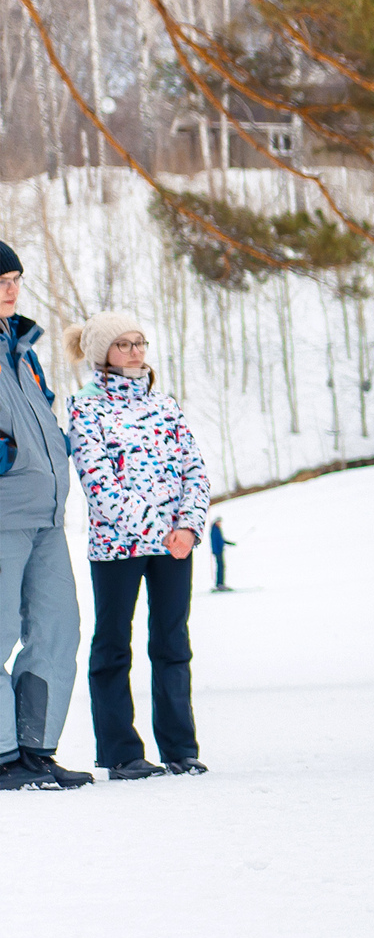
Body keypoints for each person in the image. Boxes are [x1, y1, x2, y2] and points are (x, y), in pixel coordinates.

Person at [65, 313, 212, 778]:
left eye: (139, 343)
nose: (134, 352)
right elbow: (99, 485)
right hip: (117, 548)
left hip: (174, 547)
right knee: (113, 645)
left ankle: (180, 748)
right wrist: (157, 531)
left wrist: (187, 527)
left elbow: (196, 471)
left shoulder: (166, 406)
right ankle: (120, 752)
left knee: (172, 643)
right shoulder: (85, 409)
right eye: (123, 345)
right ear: (102, 353)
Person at [0, 242, 89, 790]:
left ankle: (34, 749)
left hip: (48, 516)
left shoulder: (23, 350)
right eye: (0, 280)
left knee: (58, 629)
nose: (10, 289)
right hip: (4, 512)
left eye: (15, 279)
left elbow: (40, 414)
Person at [209, 516, 235, 591]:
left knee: (221, 566)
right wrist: (217, 550)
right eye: (219, 522)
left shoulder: (218, 529)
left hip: (220, 551)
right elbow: (214, 541)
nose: (220, 524)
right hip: (218, 551)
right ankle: (220, 584)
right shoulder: (214, 530)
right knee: (220, 567)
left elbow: (221, 540)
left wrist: (230, 543)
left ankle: (220, 583)